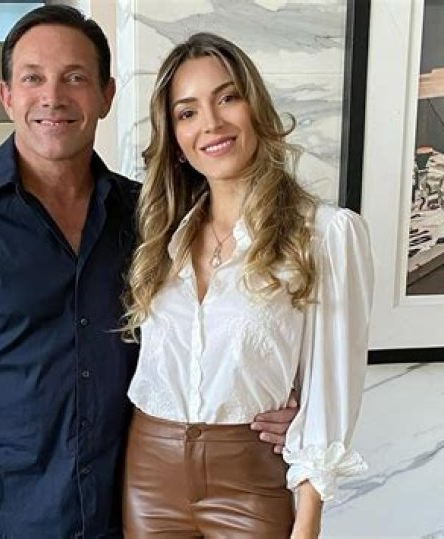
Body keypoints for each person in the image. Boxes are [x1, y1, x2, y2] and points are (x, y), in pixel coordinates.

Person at [0, 8, 296, 539]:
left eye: (75, 77)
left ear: (106, 95)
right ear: (7, 96)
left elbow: (208, 329)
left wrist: (290, 402)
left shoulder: (152, 217)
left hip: (118, 512)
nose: (52, 97)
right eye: (33, 78)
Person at [121, 32, 374, 538]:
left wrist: (308, 520)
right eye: (187, 112)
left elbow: (331, 387)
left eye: (227, 98)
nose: (211, 124)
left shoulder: (323, 234)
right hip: (149, 473)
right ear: (175, 140)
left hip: (251, 480)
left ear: (256, 107)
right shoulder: (160, 237)